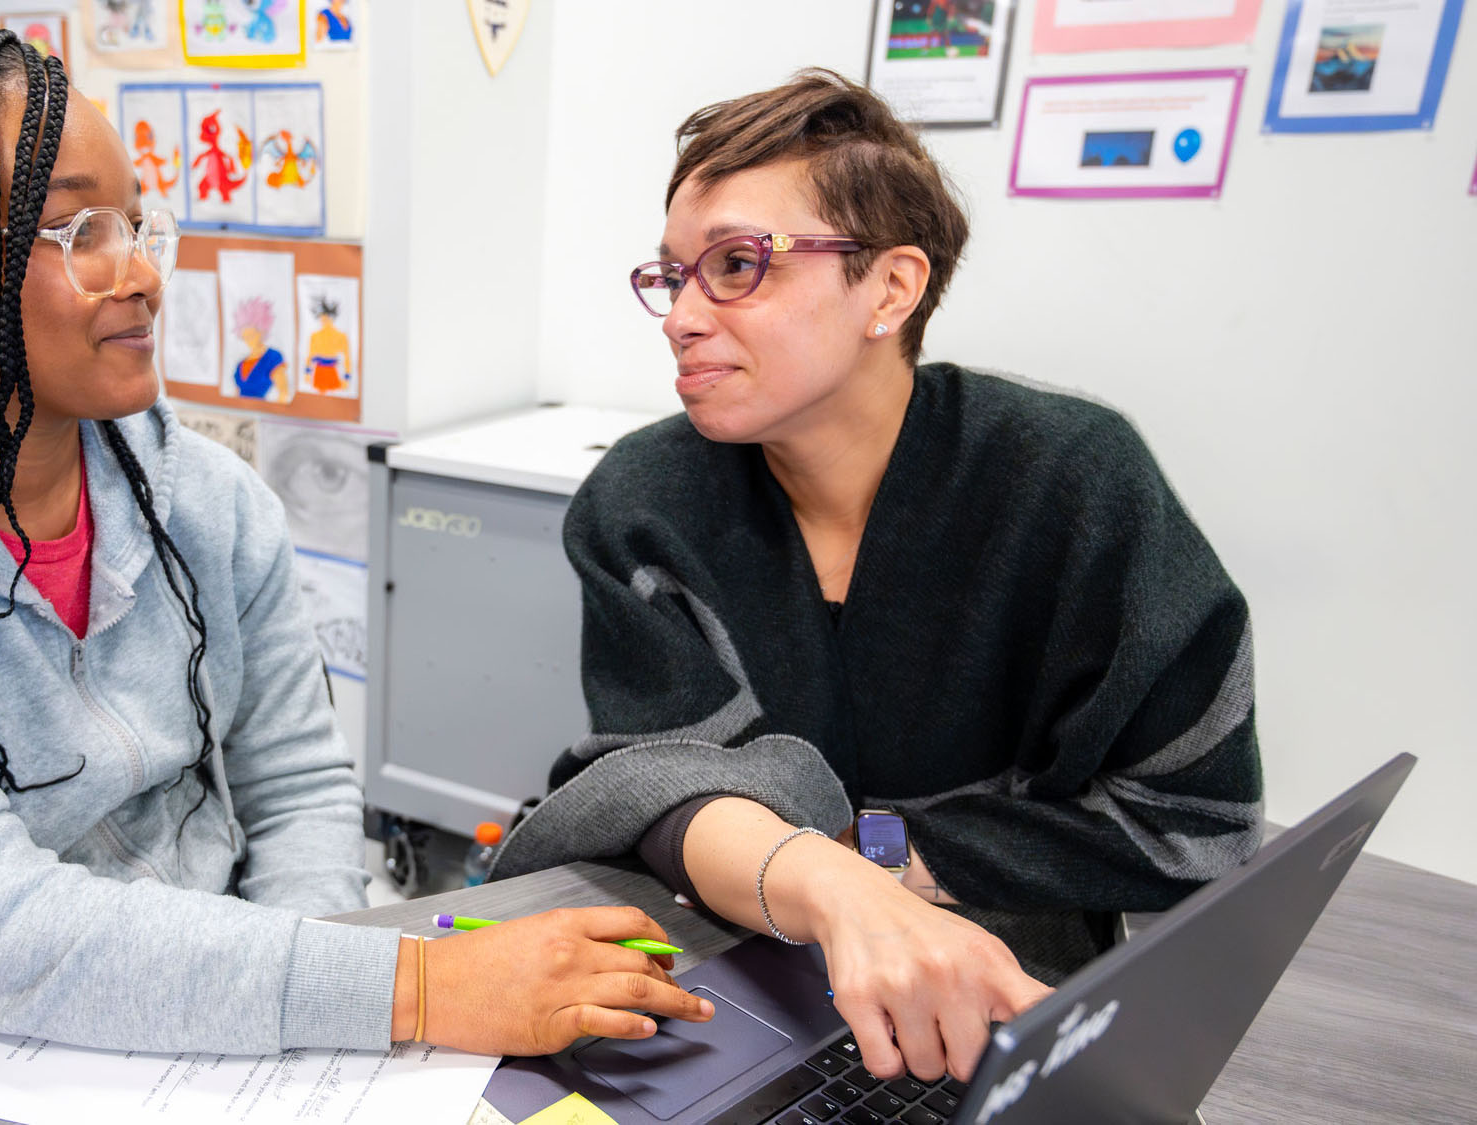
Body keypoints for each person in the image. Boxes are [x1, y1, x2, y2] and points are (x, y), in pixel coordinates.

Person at [0, 30, 709, 1059]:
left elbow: (293, 786)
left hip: (198, 1026)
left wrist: (313, 1022)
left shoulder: (204, 498)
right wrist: (416, 989)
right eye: (73, 234)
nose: (140, 273)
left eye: (135, 226)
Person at [488, 69, 1263, 1086]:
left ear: (889, 288)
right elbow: (658, 791)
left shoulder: (1072, 483)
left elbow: (1194, 826)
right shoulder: (643, 499)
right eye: (670, 275)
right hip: (734, 989)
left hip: (1008, 1006)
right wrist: (834, 888)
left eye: (733, 265)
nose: (680, 315)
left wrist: (865, 861)